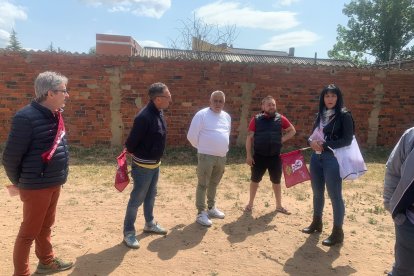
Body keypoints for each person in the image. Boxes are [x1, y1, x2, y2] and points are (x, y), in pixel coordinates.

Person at [2, 71, 73, 275]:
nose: (67, 95)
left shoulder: (55, 114)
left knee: (46, 226)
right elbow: (10, 157)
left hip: (53, 182)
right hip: (36, 186)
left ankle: (46, 262)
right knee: (28, 233)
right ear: (50, 93)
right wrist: (22, 182)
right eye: (63, 91)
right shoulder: (25, 117)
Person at [302, 84, 353, 246]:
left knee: (335, 196)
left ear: (338, 98)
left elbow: (347, 140)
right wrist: (311, 142)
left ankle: (338, 233)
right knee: (317, 193)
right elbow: (311, 136)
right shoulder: (320, 115)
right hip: (316, 159)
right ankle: (317, 223)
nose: (330, 99)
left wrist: (325, 144)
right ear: (322, 98)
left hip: (332, 159)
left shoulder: (344, 115)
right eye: (327, 96)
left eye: (333, 96)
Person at [123, 82, 172, 249]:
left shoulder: (159, 112)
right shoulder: (143, 117)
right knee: (137, 199)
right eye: (168, 96)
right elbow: (130, 144)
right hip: (143, 167)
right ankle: (129, 233)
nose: (170, 99)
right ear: (158, 99)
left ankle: (149, 224)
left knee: (151, 196)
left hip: (154, 165)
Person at [245, 95, 296, 214]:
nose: (272, 107)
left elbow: (292, 131)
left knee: (276, 182)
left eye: (273, 104)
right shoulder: (256, 119)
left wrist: (282, 139)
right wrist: (248, 155)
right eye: (269, 104)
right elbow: (249, 138)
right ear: (263, 106)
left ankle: (279, 206)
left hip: (275, 157)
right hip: (259, 157)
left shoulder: (281, 119)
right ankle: (250, 204)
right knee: (254, 181)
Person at [187, 91, 231, 227]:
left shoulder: (226, 117)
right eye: (215, 101)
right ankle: (201, 212)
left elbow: (227, 133)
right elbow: (191, 136)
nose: (218, 103)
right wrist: (203, 149)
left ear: (224, 103)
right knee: (203, 184)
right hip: (206, 156)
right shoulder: (202, 115)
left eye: (220, 101)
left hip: (221, 156)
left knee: (214, 183)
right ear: (210, 101)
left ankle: (211, 208)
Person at [383, 127, 414, 276]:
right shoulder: (410, 137)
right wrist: (392, 205)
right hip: (408, 221)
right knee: (402, 269)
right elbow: (393, 170)